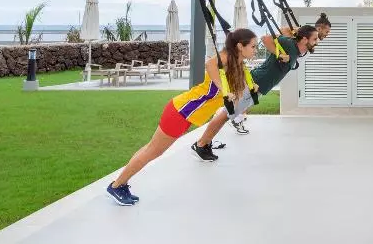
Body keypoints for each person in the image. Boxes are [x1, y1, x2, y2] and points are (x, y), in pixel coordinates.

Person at [105, 28, 258, 206]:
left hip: (186, 114)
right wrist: (223, 89)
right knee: (152, 151)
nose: (255, 50)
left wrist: (247, 92)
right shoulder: (224, 59)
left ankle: (120, 184)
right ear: (240, 46)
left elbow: (235, 95)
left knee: (151, 149)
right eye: (253, 46)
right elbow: (210, 64)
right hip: (181, 111)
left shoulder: (237, 65)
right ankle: (117, 186)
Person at [200, 25, 319, 141]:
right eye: (315, 39)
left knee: (231, 113)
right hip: (258, 80)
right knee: (226, 114)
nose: (317, 42)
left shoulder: (297, 50)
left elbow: (286, 34)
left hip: (260, 85)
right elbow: (266, 39)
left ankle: (209, 138)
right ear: (304, 39)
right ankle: (202, 143)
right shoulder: (289, 43)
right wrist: (279, 54)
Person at [228, 14, 331, 134]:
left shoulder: (307, 42)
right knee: (235, 106)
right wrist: (280, 53)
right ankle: (231, 117)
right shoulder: (298, 38)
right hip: (260, 78)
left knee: (245, 103)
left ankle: (236, 117)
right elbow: (268, 38)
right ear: (319, 29)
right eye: (327, 31)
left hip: (268, 80)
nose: (327, 34)